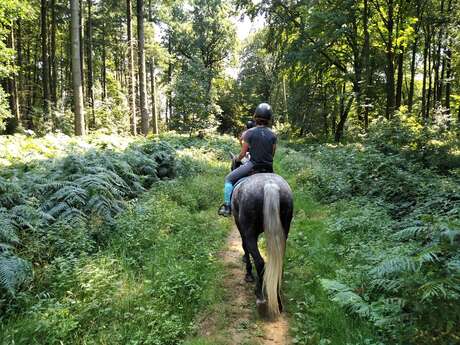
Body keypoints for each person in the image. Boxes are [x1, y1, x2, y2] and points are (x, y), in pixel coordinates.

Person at [218, 103, 277, 217]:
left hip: (253, 165)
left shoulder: (249, 132)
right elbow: (272, 154)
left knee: (229, 179)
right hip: (269, 168)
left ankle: (227, 207)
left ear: (256, 117)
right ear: (269, 119)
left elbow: (243, 153)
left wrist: (237, 158)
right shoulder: (273, 135)